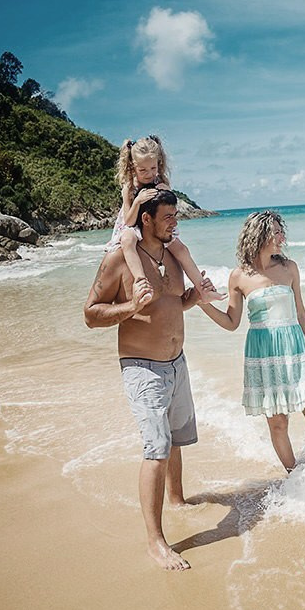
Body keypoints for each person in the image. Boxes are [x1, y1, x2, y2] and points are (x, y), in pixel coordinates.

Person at [85, 189, 206, 570]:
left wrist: (190, 298)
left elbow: (170, 303)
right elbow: (90, 313)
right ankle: (155, 541)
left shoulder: (171, 256)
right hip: (142, 367)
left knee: (175, 441)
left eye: (176, 215)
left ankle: (178, 501)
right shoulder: (120, 259)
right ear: (147, 220)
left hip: (177, 362)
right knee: (156, 448)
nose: (174, 222)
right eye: (168, 216)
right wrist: (129, 307)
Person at [197, 210, 305, 471]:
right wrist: (202, 304)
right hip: (263, 354)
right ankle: (294, 477)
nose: (282, 236)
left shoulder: (289, 268)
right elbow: (231, 322)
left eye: (282, 231)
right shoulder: (239, 276)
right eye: (276, 231)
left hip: (295, 350)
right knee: (279, 424)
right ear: (260, 235)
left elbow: (301, 313)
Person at [107, 134, 222, 304]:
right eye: (143, 170)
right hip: (135, 226)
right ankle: (140, 281)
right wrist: (137, 201)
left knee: (182, 250)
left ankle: (204, 289)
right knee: (127, 240)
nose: (149, 174)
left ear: (158, 164)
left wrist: (168, 191)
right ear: (133, 167)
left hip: (156, 227)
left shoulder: (159, 181)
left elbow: (168, 208)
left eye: (153, 168)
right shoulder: (129, 187)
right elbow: (128, 222)